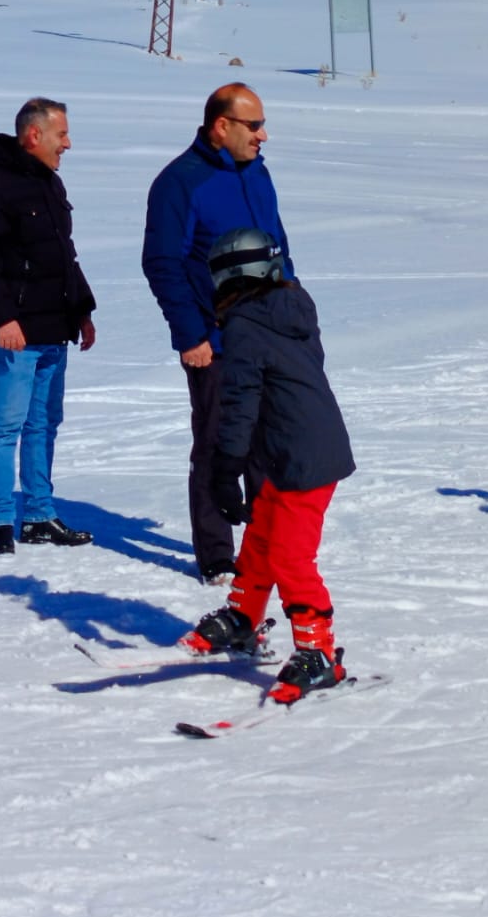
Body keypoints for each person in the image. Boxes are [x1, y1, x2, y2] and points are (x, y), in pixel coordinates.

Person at [180, 227, 357, 703]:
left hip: (302, 456)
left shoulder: (243, 325)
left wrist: (225, 468)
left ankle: (318, 654)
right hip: (295, 447)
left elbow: (240, 400)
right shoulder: (293, 306)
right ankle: (243, 618)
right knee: (261, 536)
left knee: (291, 557)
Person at [141, 83, 293, 584]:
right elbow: (163, 264)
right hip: (216, 341)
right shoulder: (180, 183)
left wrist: (291, 315)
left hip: (269, 336)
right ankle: (217, 557)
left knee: (268, 445)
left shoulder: (258, 174)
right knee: (217, 443)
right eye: (254, 126)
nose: (263, 136)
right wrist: (191, 335)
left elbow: (278, 248)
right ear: (220, 126)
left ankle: (263, 545)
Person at [0, 98, 98, 557]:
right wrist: (2, 318)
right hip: (11, 333)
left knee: (43, 425)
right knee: (5, 426)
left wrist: (81, 310)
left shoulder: (50, 186)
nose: (69, 144)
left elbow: (64, 256)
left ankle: (39, 514)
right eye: (62, 135)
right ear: (33, 135)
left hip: (52, 329)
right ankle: (0, 520)